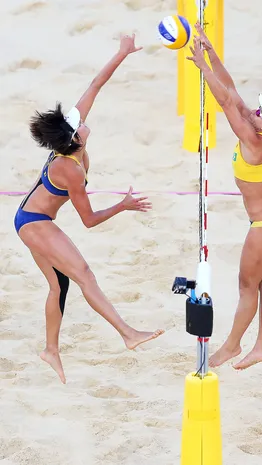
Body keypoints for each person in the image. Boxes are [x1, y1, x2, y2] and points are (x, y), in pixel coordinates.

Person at [14, 34, 164, 384]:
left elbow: (96, 84)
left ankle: (50, 350)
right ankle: (128, 334)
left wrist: (122, 52)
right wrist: (124, 205)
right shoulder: (70, 170)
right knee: (84, 274)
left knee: (58, 286)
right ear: (74, 139)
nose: (81, 119)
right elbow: (89, 220)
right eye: (77, 123)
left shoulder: (70, 138)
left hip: (29, 217)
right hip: (35, 222)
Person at [187, 23, 262, 370]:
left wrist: (201, 66)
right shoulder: (260, 132)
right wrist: (210, 51)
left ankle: (232, 346)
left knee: (246, 286)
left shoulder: (254, 141)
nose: (252, 111)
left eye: (259, 113)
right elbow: (233, 89)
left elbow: (225, 99)